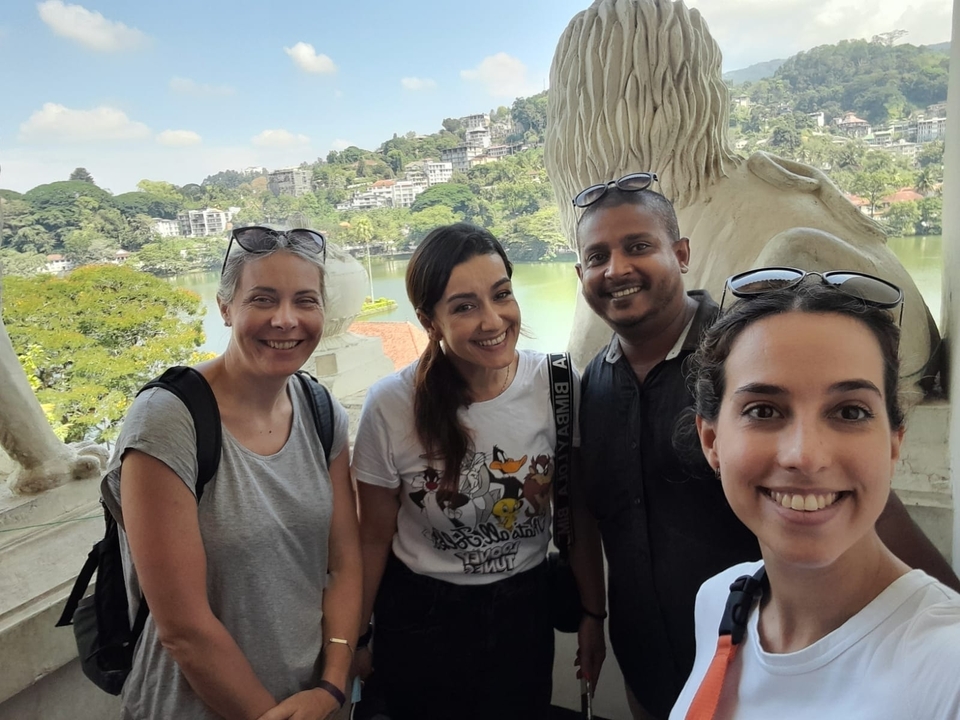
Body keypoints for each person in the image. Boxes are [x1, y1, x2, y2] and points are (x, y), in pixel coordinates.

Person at [573, 180, 960, 720]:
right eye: (598, 256)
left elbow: (858, 499)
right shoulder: (594, 381)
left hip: (803, 660)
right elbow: (594, 511)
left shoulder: (750, 350)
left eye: (639, 246)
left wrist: (944, 614)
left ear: (681, 253)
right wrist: (595, 617)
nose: (617, 268)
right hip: (667, 655)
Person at [670, 271, 960, 719]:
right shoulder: (720, 601)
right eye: (763, 410)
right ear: (712, 441)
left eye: (850, 411)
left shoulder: (944, 664)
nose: (805, 456)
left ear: (894, 443)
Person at [102, 226, 362, 720]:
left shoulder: (321, 410)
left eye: (304, 301)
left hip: (311, 701)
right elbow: (183, 628)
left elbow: (344, 563)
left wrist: (331, 685)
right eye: (263, 299)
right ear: (225, 308)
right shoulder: (168, 420)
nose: (285, 320)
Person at [351, 223, 606, 720]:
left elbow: (579, 517)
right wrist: (356, 638)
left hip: (523, 611)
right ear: (430, 321)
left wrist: (593, 615)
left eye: (502, 295)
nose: (493, 320)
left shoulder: (555, 383)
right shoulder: (391, 405)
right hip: (421, 616)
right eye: (464, 306)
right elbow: (371, 537)